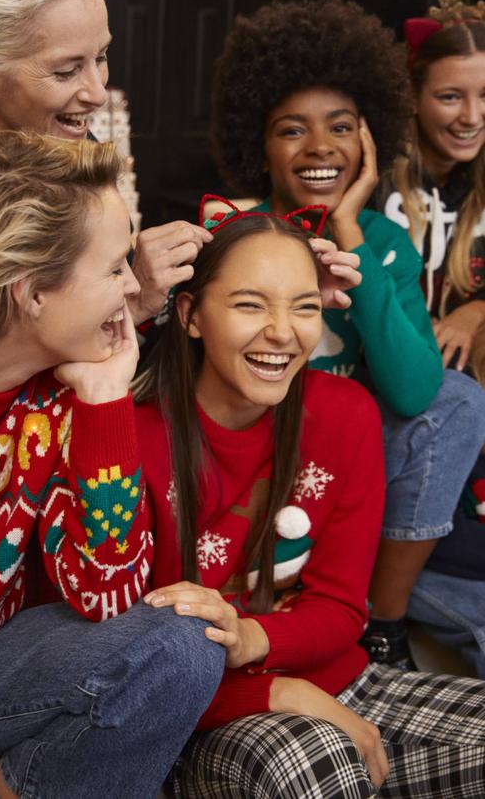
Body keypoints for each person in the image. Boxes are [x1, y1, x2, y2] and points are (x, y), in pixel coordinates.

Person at [0, 129, 224, 799]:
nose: (135, 286)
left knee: (182, 646)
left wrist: (104, 400)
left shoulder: (63, 392)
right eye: (115, 267)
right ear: (31, 292)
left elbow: (107, 593)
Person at [135, 205, 485, 798]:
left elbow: (342, 608)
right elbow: (120, 663)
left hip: (343, 683)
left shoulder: (343, 412)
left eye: (302, 306)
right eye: (250, 305)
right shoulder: (134, 438)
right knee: (315, 761)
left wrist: (260, 643)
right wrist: (274, 689)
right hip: (199, 716)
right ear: (191, 316)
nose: (282, 332)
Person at [0, 0, 361, 322]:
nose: (96, 93)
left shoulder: (86, 158)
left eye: (102, 56)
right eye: (67, 70)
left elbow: (114, 342)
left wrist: (284, 292)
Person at [209, 0, 485, 671]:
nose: (319, 147)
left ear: (370, 136)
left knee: (457, 398)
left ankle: (382, 626)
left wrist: (353, 237)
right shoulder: (234, 233)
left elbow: (419, 391)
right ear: (260, 144)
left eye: (340, 126)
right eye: (291, 130)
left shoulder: (385, 242)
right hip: (253, 450)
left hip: (347, 454)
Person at [376, 0, 485, 672]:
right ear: (414, 96)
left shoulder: (480, 188)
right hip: (397, 416)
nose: (473, 117)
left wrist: (479, 306)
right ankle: (381, 617)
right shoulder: (376, 185)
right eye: (451, 97)